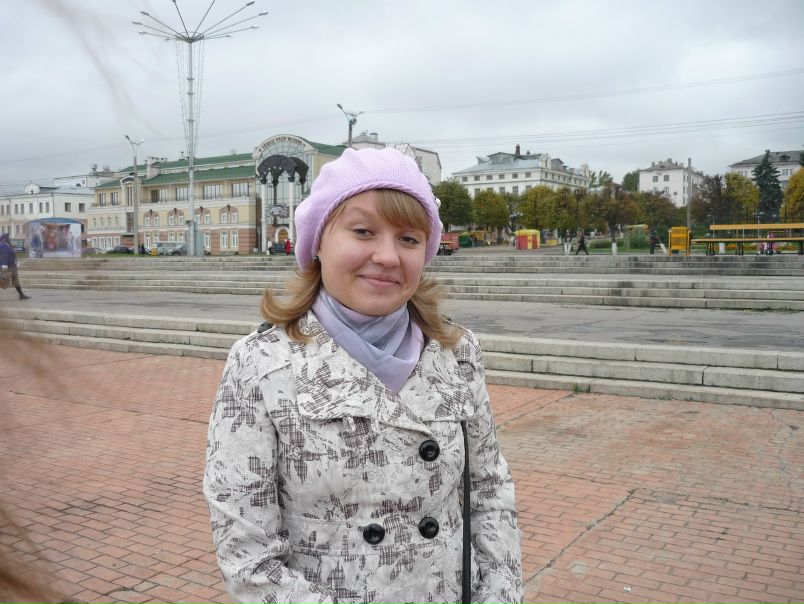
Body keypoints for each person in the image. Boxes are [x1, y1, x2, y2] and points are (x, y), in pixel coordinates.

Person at [204, 148, 523, 604]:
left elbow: (489, 493)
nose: (388, 256)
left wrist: (500, 597)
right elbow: (248, 559)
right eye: (363, 231)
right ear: (317, 241)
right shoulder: (261, 363)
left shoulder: (457, 351)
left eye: (408, 239)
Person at [0, 233, 30, 300]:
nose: (9, 239)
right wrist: (4, 267)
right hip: (9, 267)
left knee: (15, 281)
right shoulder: (4, 245)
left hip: (12, 267)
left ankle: (21, 295)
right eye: (8, 238)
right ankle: (21, 295)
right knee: (5, 280)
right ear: (4, 239)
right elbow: (4, 256)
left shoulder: (6, 245)